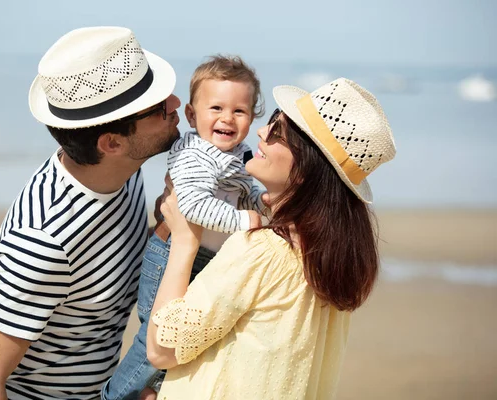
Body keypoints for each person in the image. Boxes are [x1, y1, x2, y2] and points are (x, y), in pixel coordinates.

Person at [0, 26, 181, 400]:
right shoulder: (42, 240)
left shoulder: (122, 169)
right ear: (111, 143)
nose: (175, 102)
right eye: (157, 108)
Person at [146, 78, 397, 399]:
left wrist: (184, 241)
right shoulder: (332, 257)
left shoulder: (262, 250)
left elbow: (163, 348)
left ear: (305, 166)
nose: (262, 132)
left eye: (278, 130)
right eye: (271, 120)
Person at [101, 55, 268, 400]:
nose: (227, 118)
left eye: (239, 111)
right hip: (169, 258)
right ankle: (116, 394)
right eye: (216, 108)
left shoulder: (239, 153)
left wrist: (261, 203)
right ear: (192, 115)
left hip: (203, 258)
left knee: (184, 338)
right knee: (157, 336)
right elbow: (191, 206)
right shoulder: (194, 154)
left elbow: (245, 191)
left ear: (252, 118)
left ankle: (150, 393)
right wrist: (245, 221)